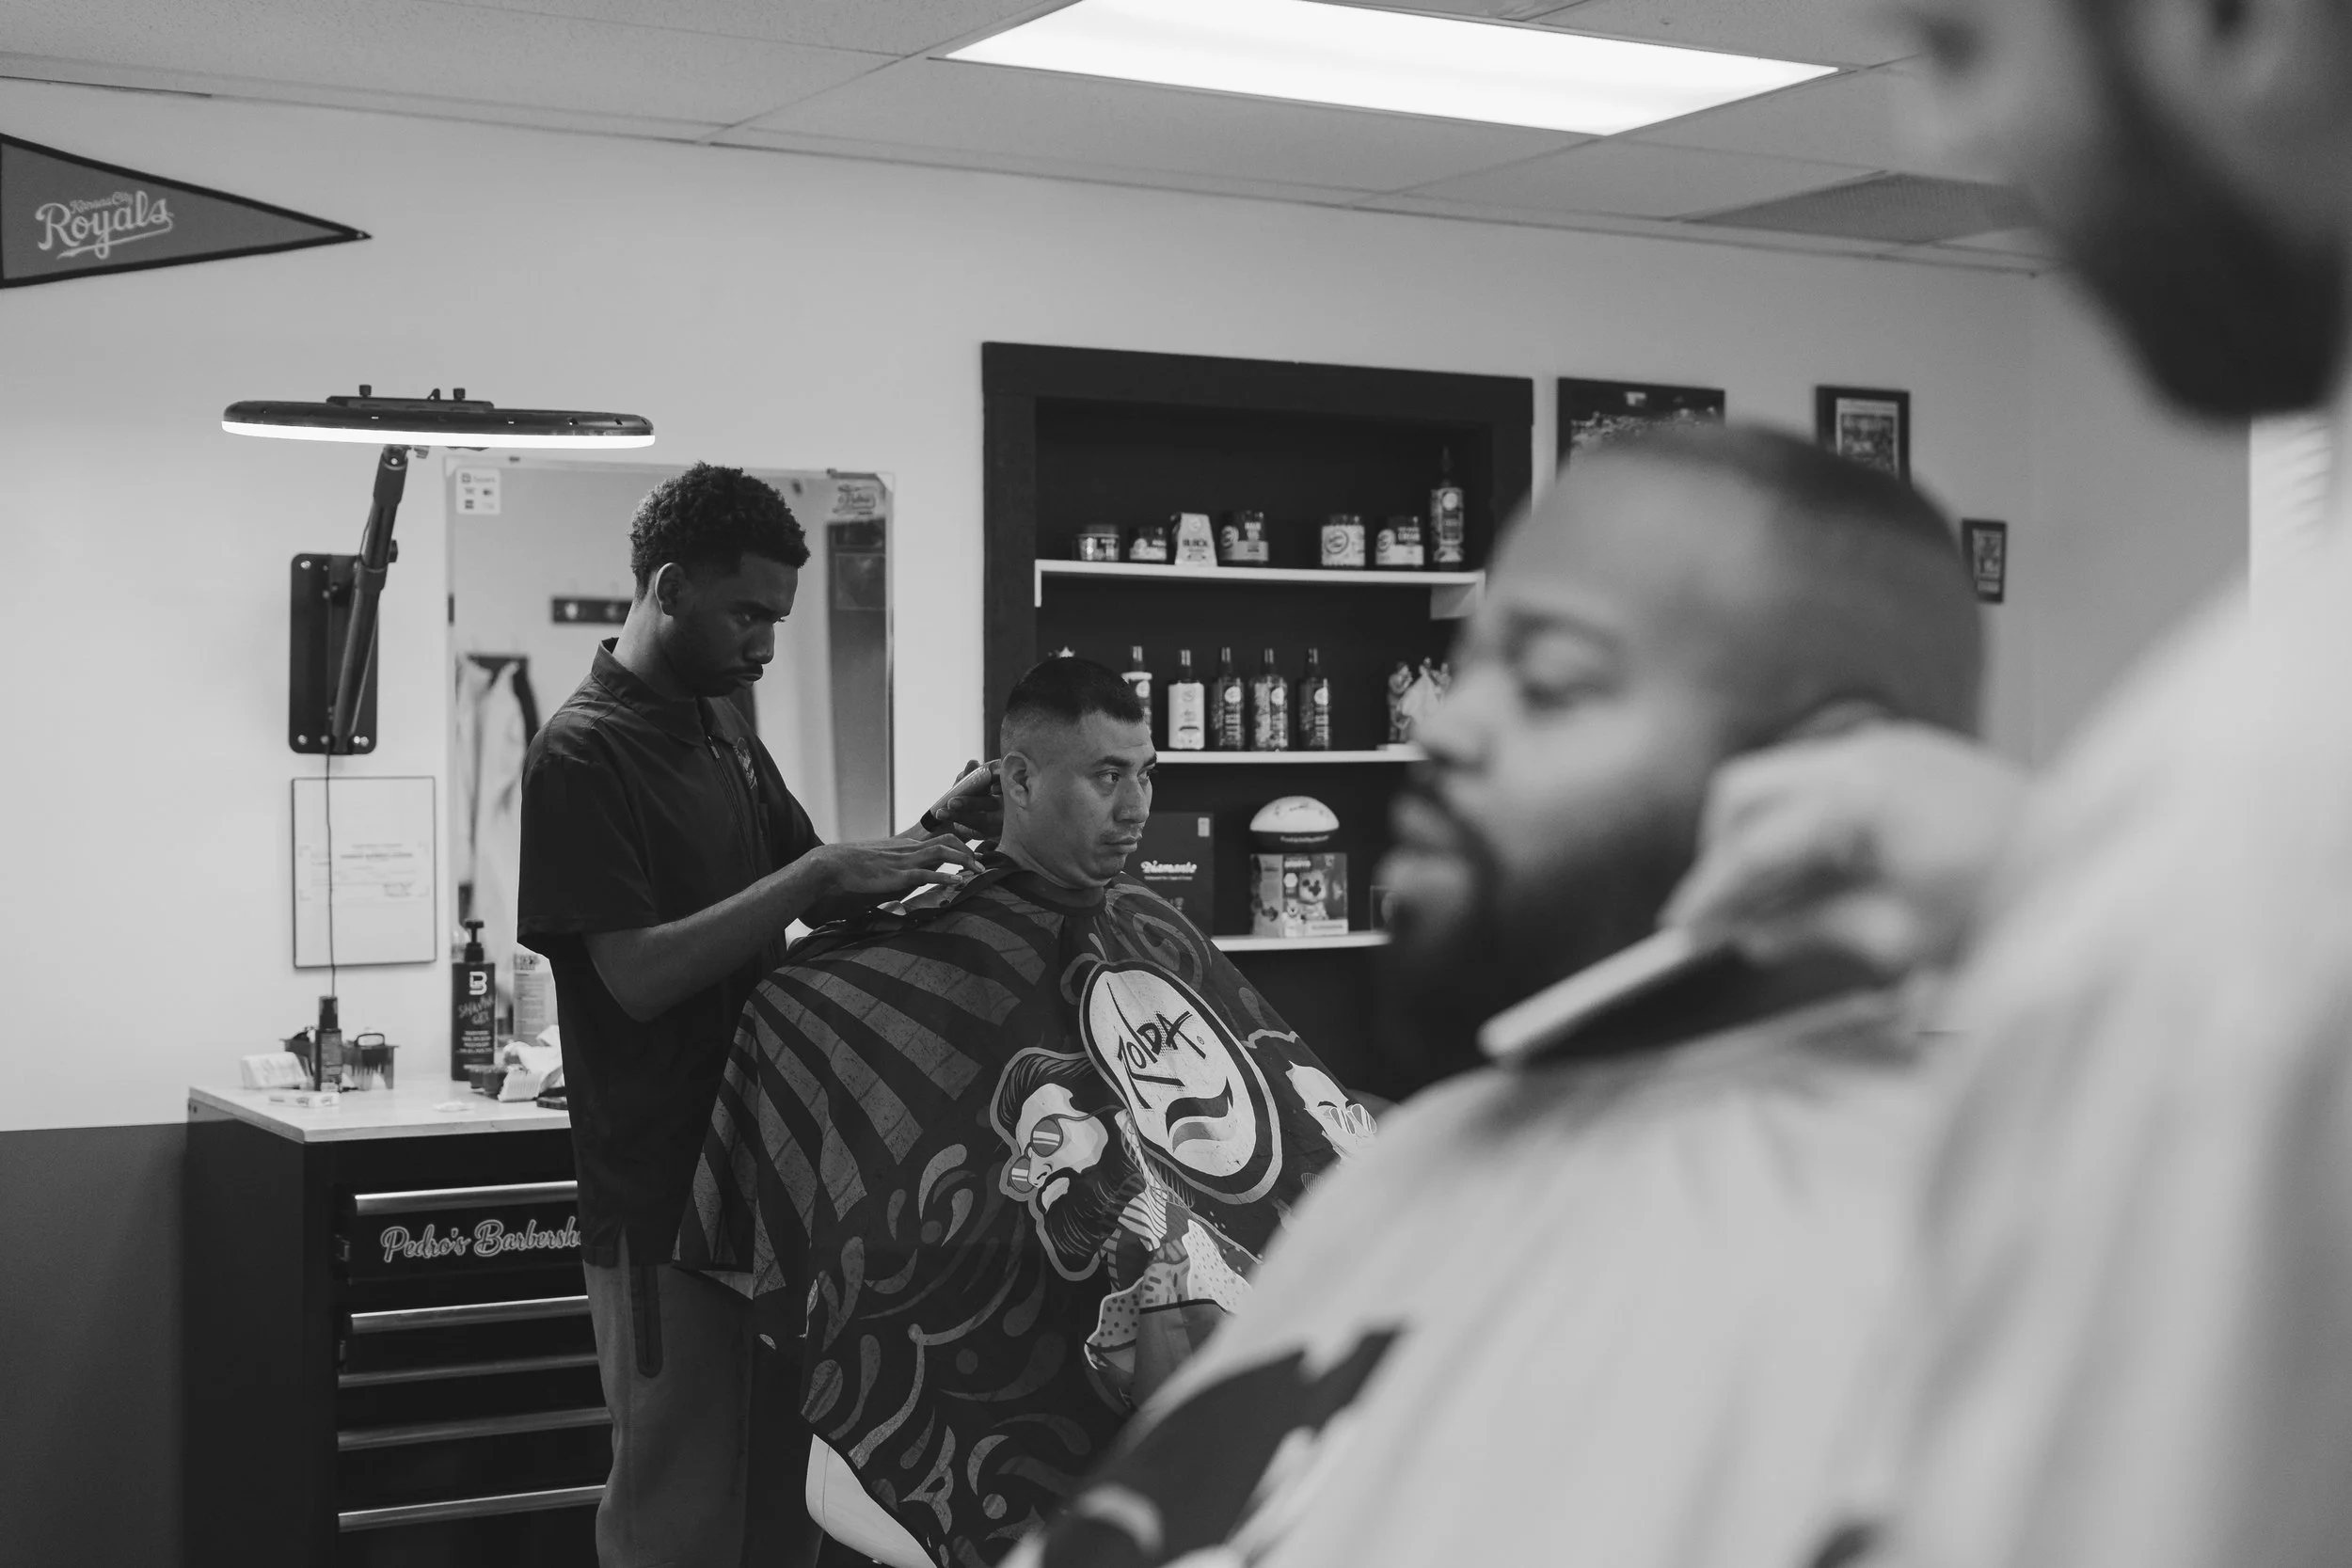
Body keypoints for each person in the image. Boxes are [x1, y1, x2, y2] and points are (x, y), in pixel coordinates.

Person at [1005, 425, 1986, 1568]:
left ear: (1831, 766)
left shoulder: (1914, 1260)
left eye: (1551, 683)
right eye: (1466, 668)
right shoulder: (1429, 1166)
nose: (1445, 724)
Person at [1653, 0, 2352, 1563]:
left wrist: (2112, 920)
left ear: (2243, 27)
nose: (1939, 133)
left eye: (1967, 47)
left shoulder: (2228, 846)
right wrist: (2051, 878)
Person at [675, 656, 1376, 1568]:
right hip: (1034, 1340)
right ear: (1016, 779)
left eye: (1147, 773)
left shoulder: (1150, 923)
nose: (1136, 806)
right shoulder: (905, 954)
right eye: (1105, 776)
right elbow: (802, 1048)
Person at [517, 462, 999, 1568]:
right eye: (747, 614)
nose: (767, 643)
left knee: (791, 1507)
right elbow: (636, 974)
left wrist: (934, 829)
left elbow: (813, 894)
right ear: (670, 587)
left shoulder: (723, 729)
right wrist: (815, 872)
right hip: (661, 1202)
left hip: (770, 1188)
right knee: (676, 1515)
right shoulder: (581, 754)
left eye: (778, 617)